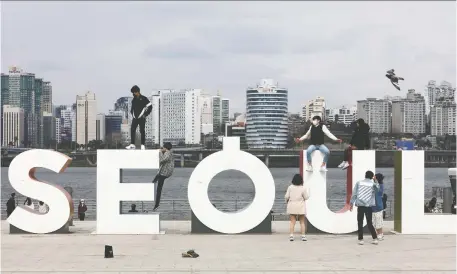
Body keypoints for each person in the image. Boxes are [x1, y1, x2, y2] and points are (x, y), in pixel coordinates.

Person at [350, 170, 379, 245]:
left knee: (360, 222)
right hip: (368, 206)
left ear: (365, 175)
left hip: (360, 205)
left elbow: (354, 194)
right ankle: (375, 238)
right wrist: (375, 181)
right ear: (372, 177)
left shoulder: (359, 183)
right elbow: (377, 190)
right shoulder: (373, 184)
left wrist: (351, 204)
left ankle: (361, 239)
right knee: (369, 222)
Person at [126, 85, 152, 150]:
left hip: (142, 118)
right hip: (135, 118)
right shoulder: (133, 100)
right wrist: (132, 113)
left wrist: (145, 114)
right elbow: (132, 108)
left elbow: (150, 106)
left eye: (134, 92)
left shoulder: (144, 98)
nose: (133, 94)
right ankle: (132, 144)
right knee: (132, 130)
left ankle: (143, 145)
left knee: (142, 130)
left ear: (137, 92)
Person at [285, 174, 310, 241]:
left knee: (292, 222)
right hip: (300, 206)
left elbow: (286, 196)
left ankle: (291, 236)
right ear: (301, 180)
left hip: (292, 206)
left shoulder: (290, 187)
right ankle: (303, 236)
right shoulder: (303, 188)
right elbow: (306, 197)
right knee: (302, 222)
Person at [152, 142, 174, 211]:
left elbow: (162, 160)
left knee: (159, 189)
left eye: (163, 147)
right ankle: (156, 204)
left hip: (165, 173)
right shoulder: (169, 153)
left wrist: (160, 152)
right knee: (158, 183)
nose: (162, 149)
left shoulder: (168, 153)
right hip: (164, 172)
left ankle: (157, 204)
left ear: (165, 148)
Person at [372, 173, 385, 240]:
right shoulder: (376, 185)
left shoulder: (379, 186)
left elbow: (379, 192)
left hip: (378, 206)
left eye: (374, 177)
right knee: (375, 222)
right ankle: (380, 233)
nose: (373, 177)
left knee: (378, 222)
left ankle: (379, 234)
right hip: (373, 207)